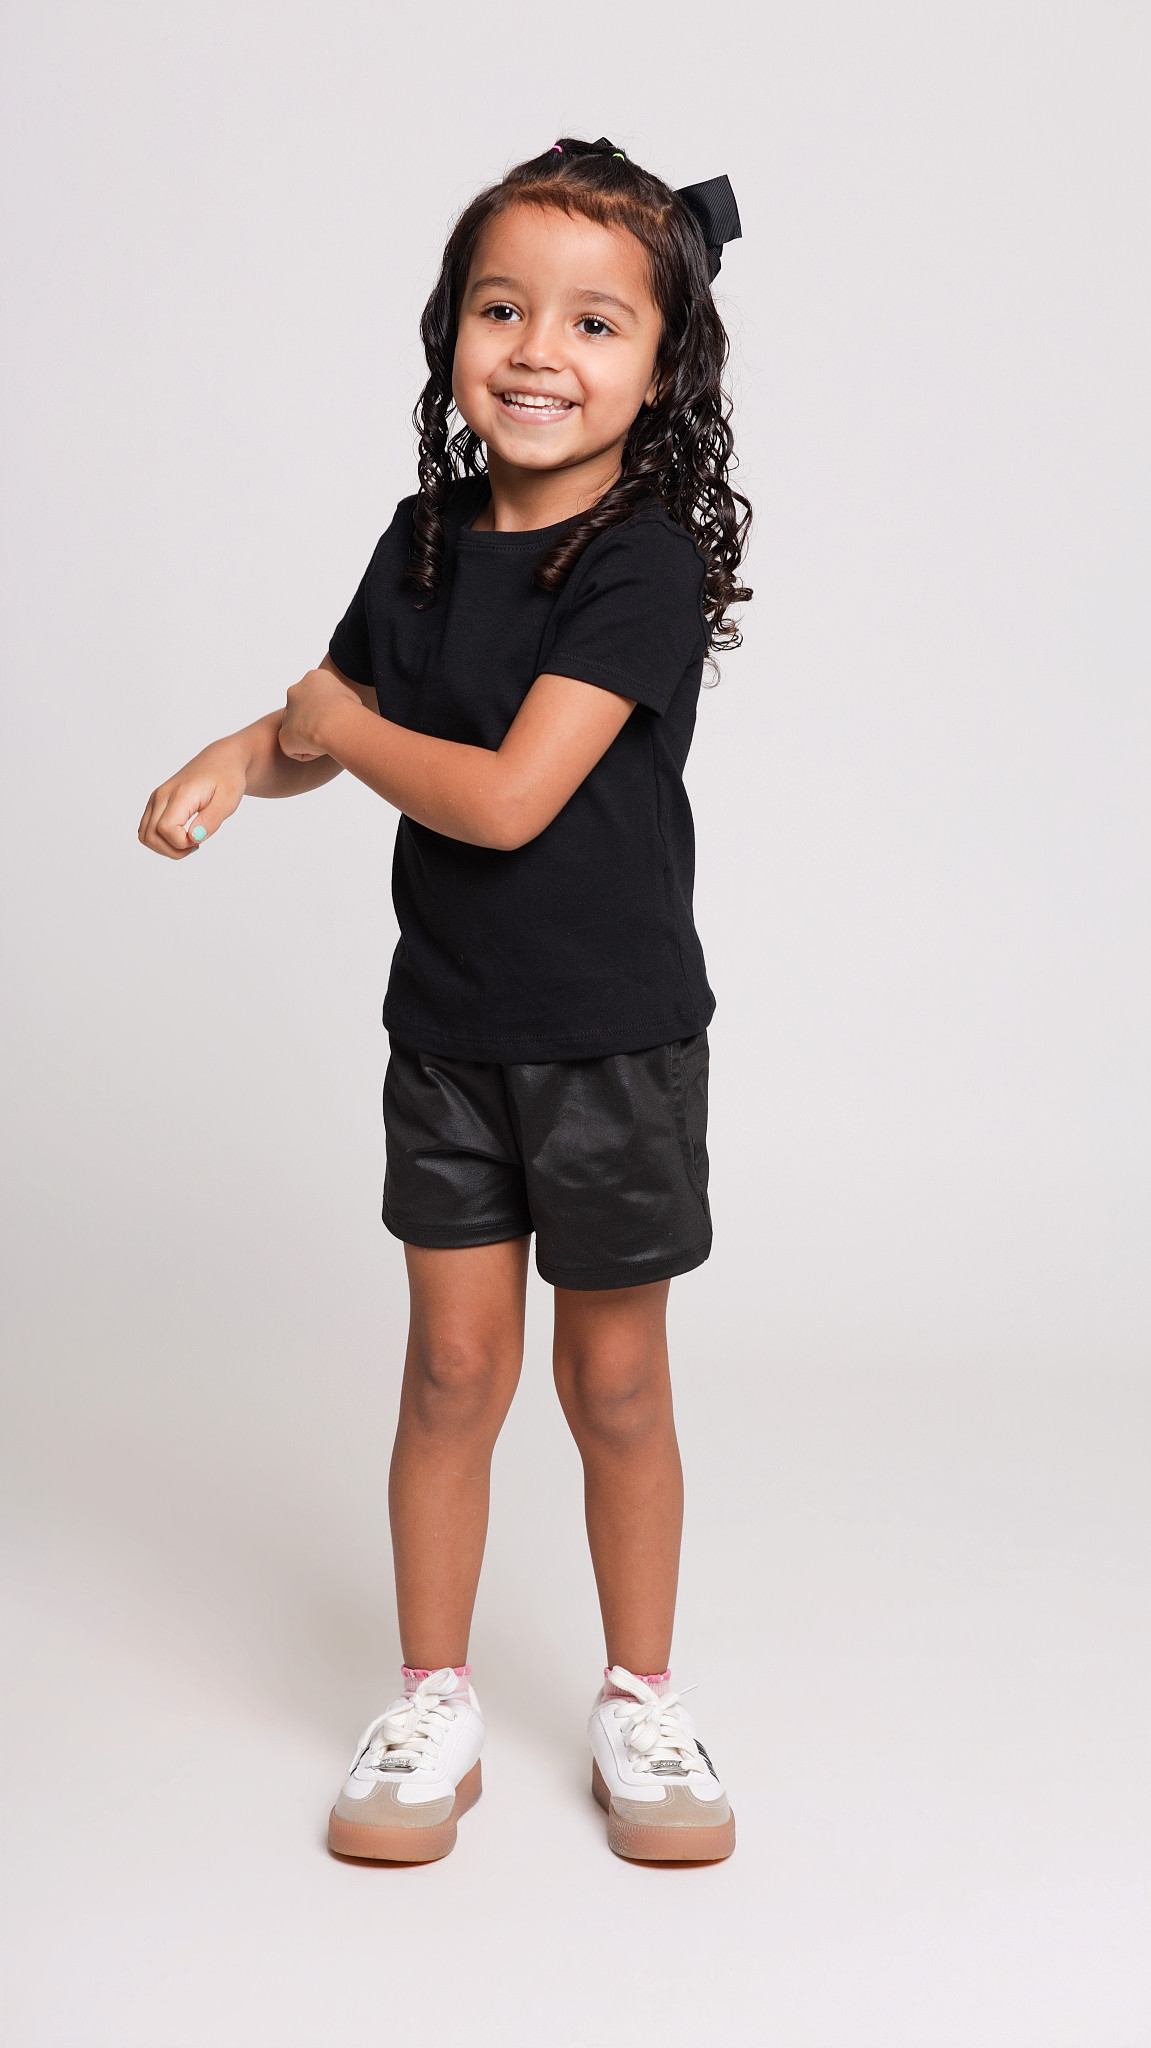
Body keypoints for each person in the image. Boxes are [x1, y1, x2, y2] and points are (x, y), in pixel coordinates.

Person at [138, 137, 751, 1864]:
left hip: (614, 1040)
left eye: (595, 322)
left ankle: (642, 1700)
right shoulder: (422, 544)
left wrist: (332, 728)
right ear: (451, 332)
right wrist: (239, 756)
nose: (540, 351)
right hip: (451, 1037)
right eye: (503, 309)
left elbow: (498, 798)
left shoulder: (640, 563)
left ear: (663, 366)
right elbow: (324, 717)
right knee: (451, 1372)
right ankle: (432, 1700)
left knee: (613, 1384)